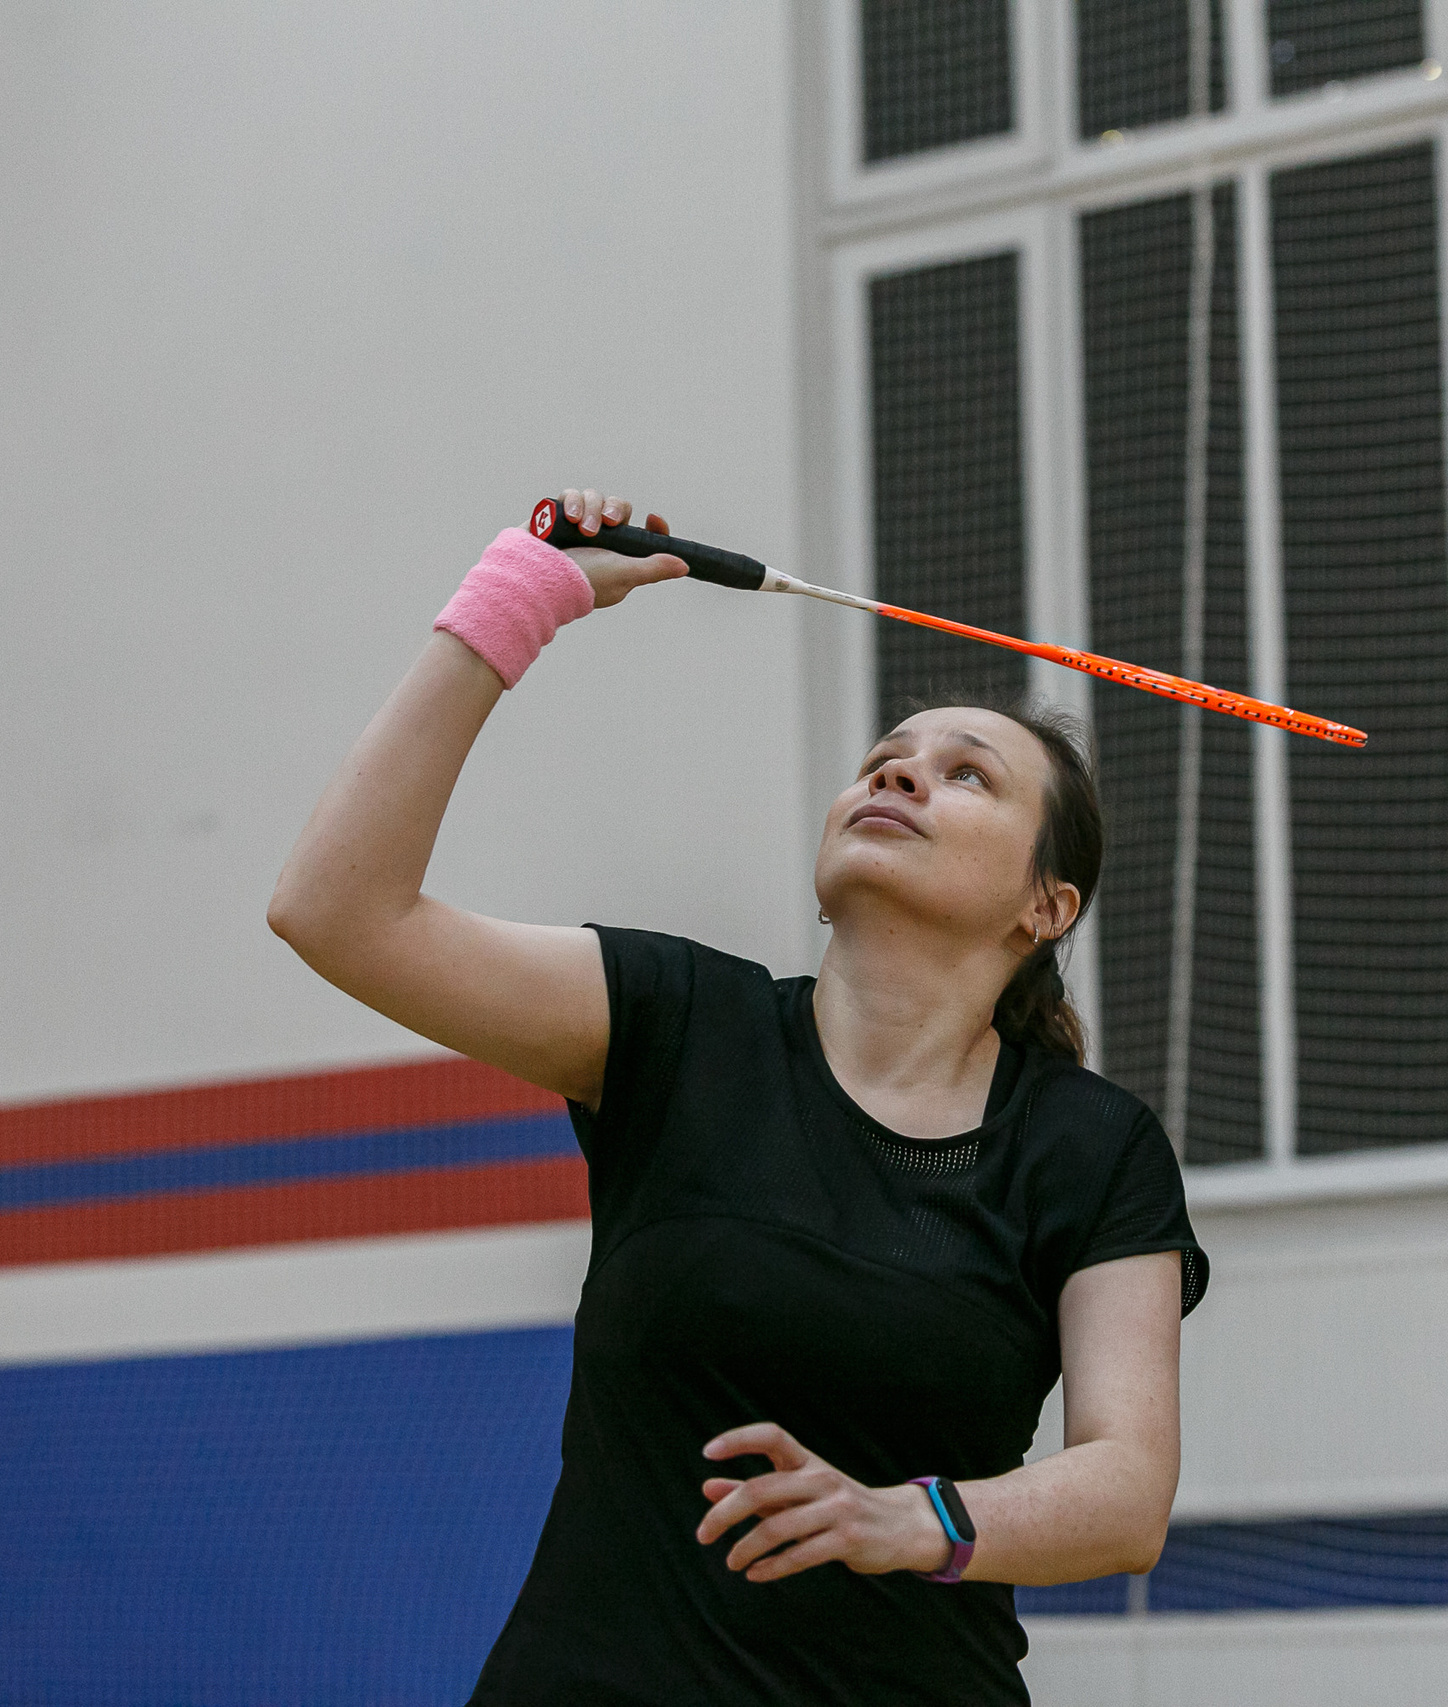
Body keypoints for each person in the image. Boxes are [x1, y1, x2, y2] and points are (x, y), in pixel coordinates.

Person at [268, 488, 1208, 1706]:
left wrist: (903, 1520)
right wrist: (517, 598)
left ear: (1046, 909)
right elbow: (337, 913)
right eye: (885, 762)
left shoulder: (1089, 1148)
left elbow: (1125, 1495)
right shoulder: (675, 1027)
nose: (903, 777)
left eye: (966, 776)